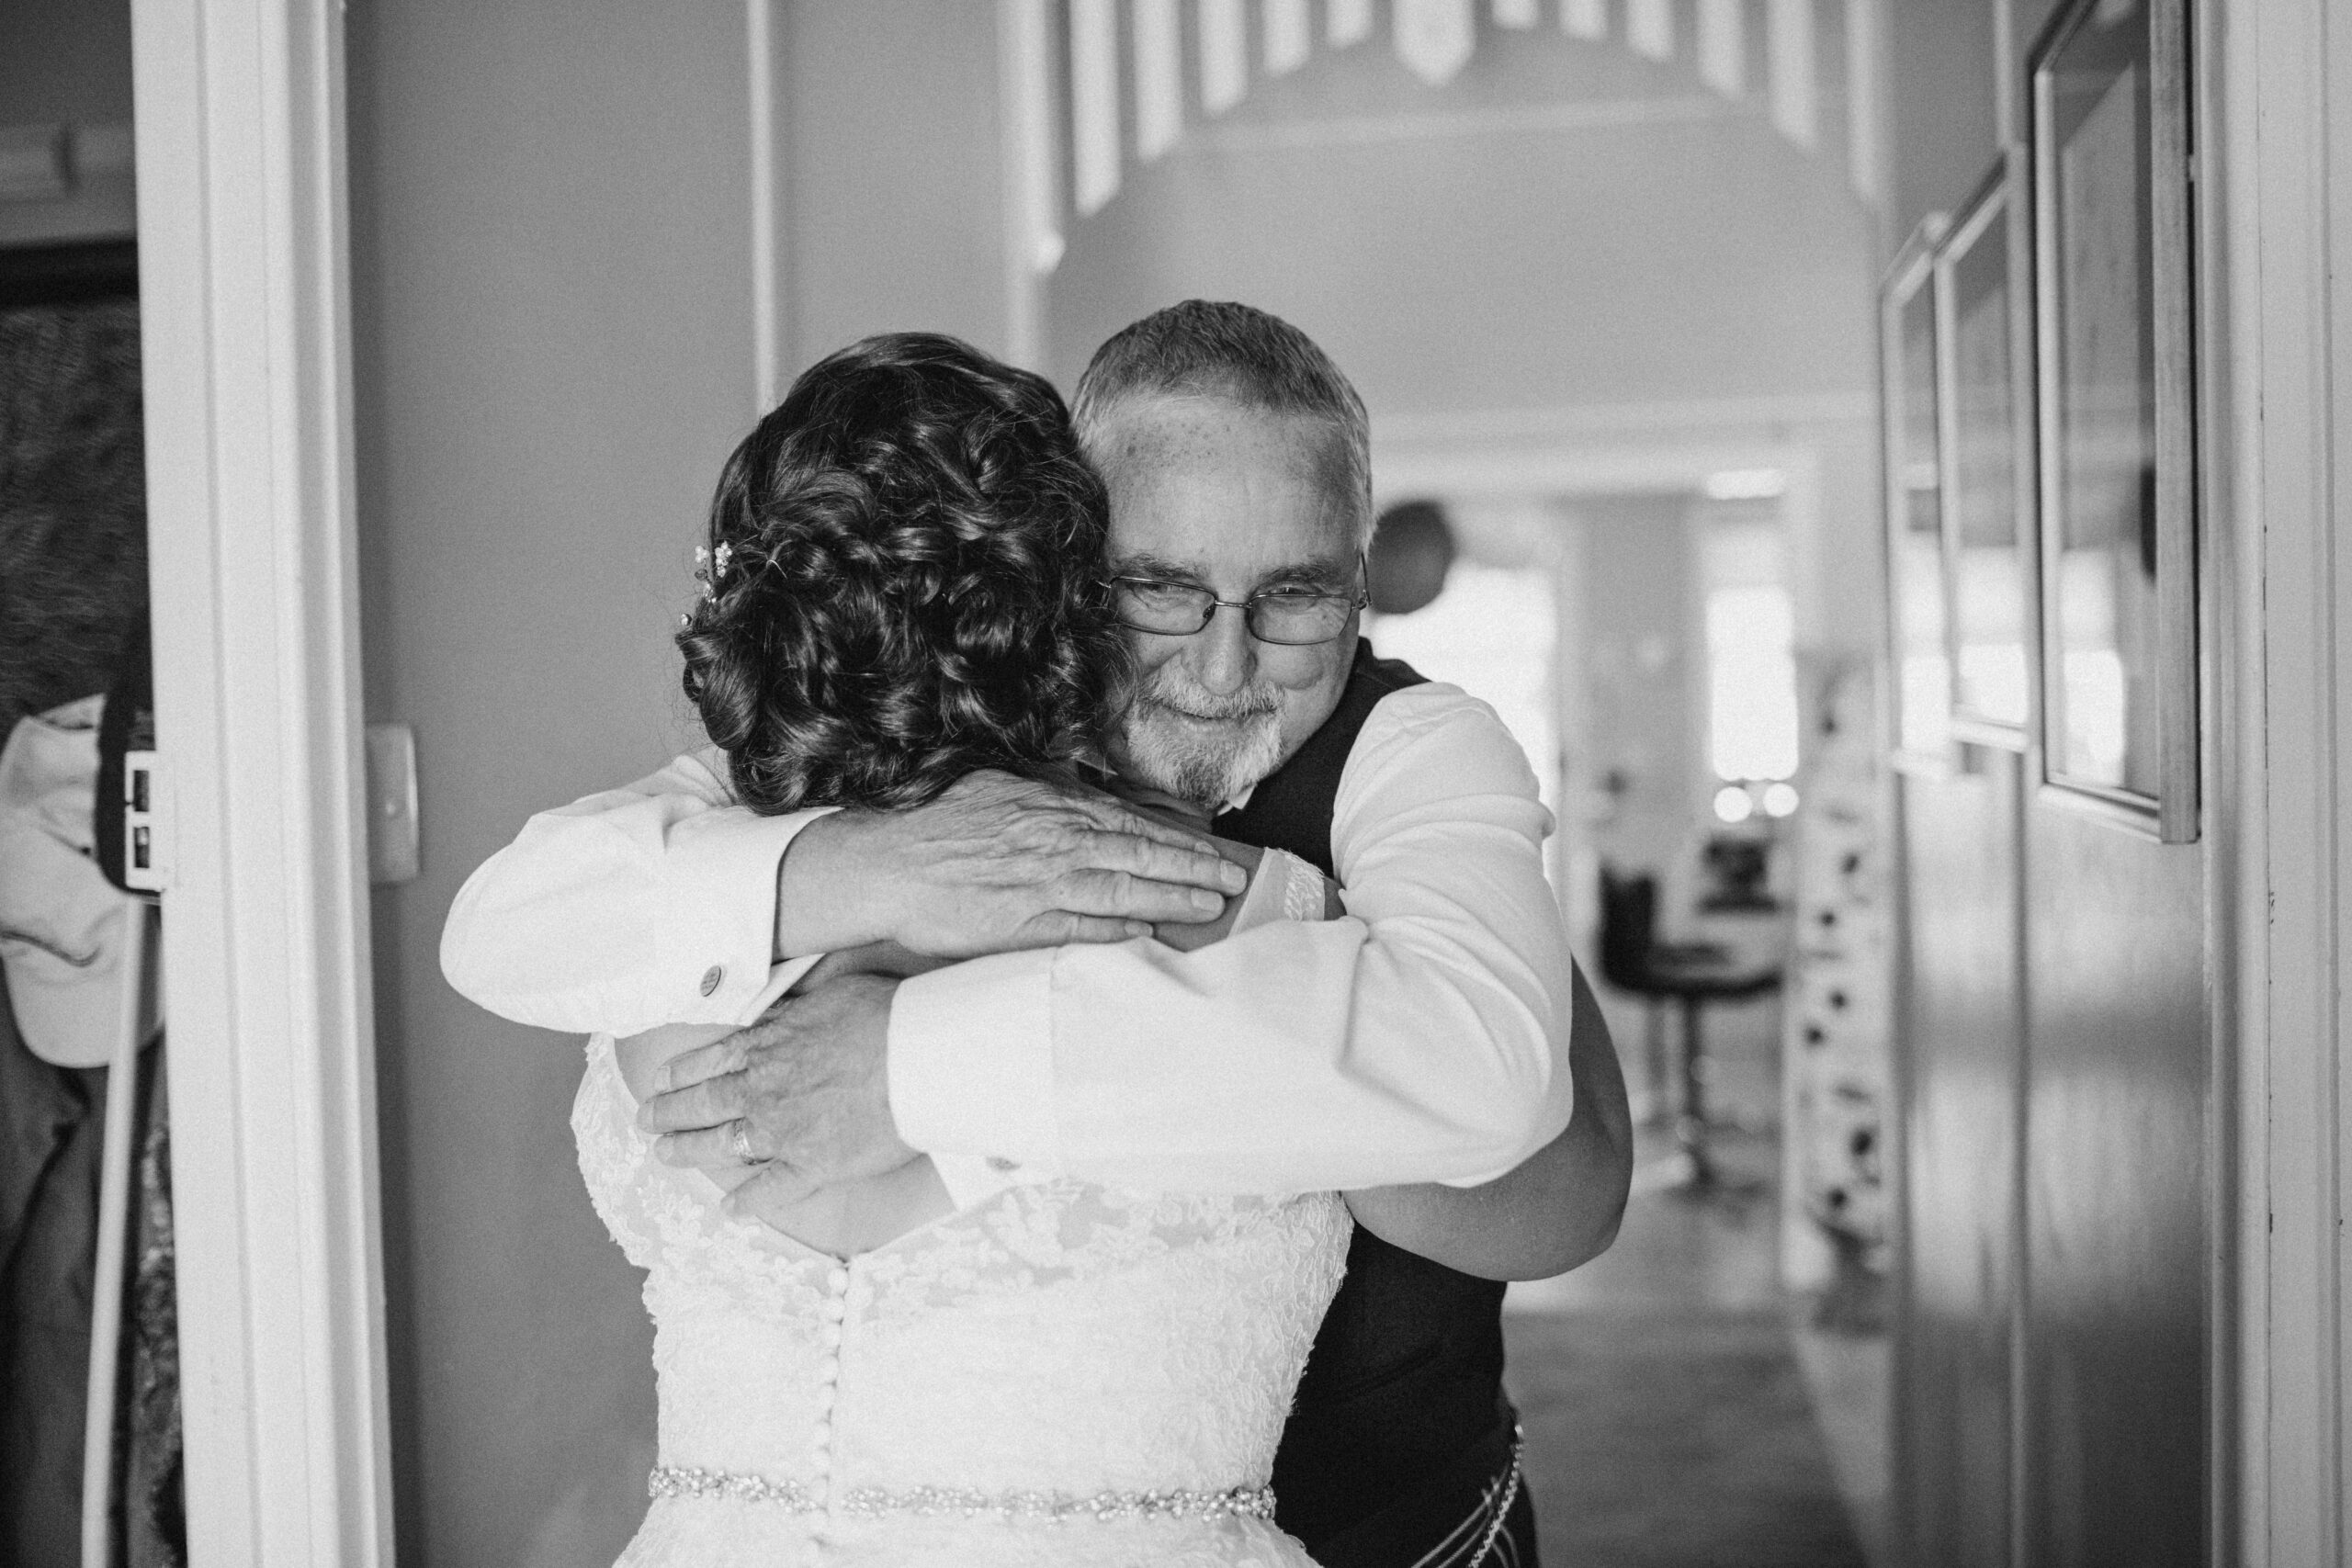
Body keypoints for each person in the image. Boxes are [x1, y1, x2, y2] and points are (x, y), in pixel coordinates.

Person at [444, 304, 1634, 1568]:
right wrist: (870, 869)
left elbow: (1549, 1164)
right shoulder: (904, 751)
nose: (1222, 667)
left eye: (1293, 597)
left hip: (1404, 1517)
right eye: (1161, 589)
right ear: (1063, 560)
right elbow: (521, 917)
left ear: (1358, 580)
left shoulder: (1413, 755)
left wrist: (911, 1060)